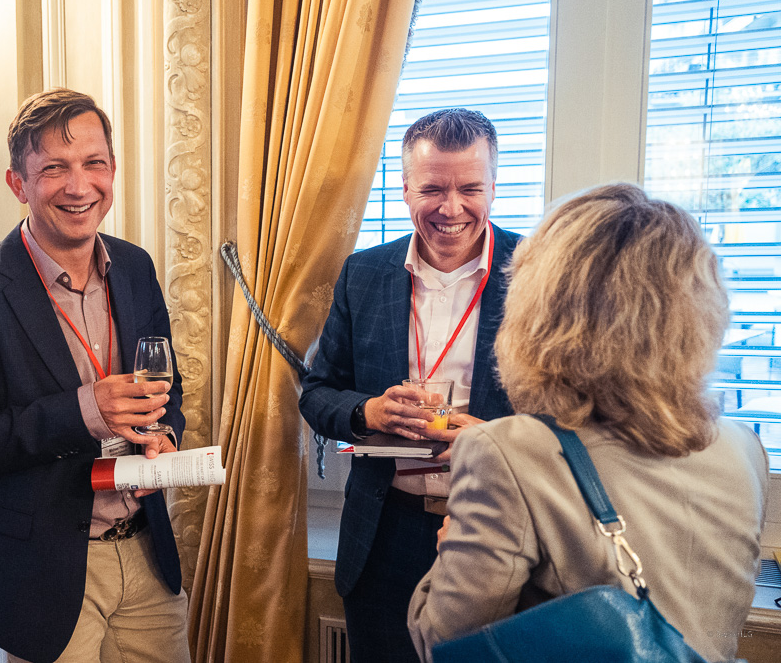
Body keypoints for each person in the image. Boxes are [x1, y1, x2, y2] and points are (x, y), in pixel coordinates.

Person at [407, 183, 769, 663]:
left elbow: (443, 645)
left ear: (541, 310)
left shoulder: (508, 453)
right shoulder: (744, 448)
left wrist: (449, 552)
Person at [0, 88, 189, 663]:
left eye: (94, 163)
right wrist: (85, 411)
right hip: (44, 574)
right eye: (53, 169)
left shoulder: (136, 267)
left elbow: (167, 389)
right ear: (17, 183)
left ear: (112, 170)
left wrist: (164, 435)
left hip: (147, 553)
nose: (79, 185)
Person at [299, 108, 522, 661]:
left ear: (494, 186)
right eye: (433, 189)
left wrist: (493, 440)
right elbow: (318, 393)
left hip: (499, 529)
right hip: (384, 535)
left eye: (470, 188)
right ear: (404, 189)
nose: (452, 208)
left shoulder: (540, 273)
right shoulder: (362, 273)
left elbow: (581, 420)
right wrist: (368, 412)